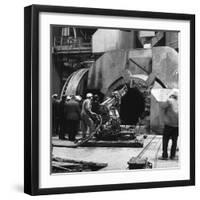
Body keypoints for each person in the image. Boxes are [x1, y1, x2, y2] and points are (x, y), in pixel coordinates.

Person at [160, 89, 179, 160]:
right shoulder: (180, 102)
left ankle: (165, 155)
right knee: (174, 141)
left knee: (165, 140)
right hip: (177, 125)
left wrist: (166, 98)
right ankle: (172, 155)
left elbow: (162, 106)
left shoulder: (169, 101)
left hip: (169, 124)